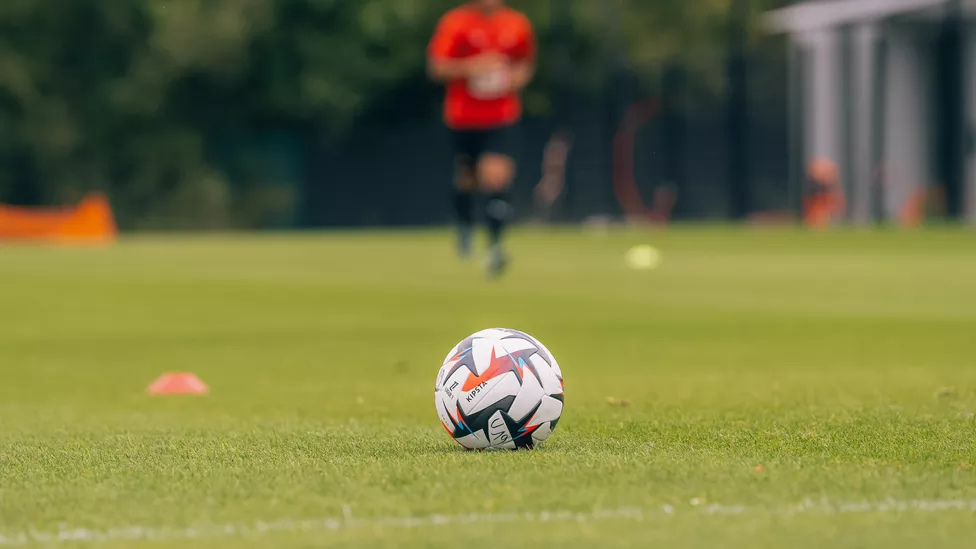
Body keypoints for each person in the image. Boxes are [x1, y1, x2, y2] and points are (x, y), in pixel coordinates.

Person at [427, 0, 536, 278]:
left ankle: (495, 246)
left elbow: (525, 63)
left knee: (496, 176)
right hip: (463, 117)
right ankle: (464, 225)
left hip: (501, 116)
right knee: (467, 179)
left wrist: (515, 78)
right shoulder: (456, 23)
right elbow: (437, 67)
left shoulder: (516, 24)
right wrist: (472, 67)